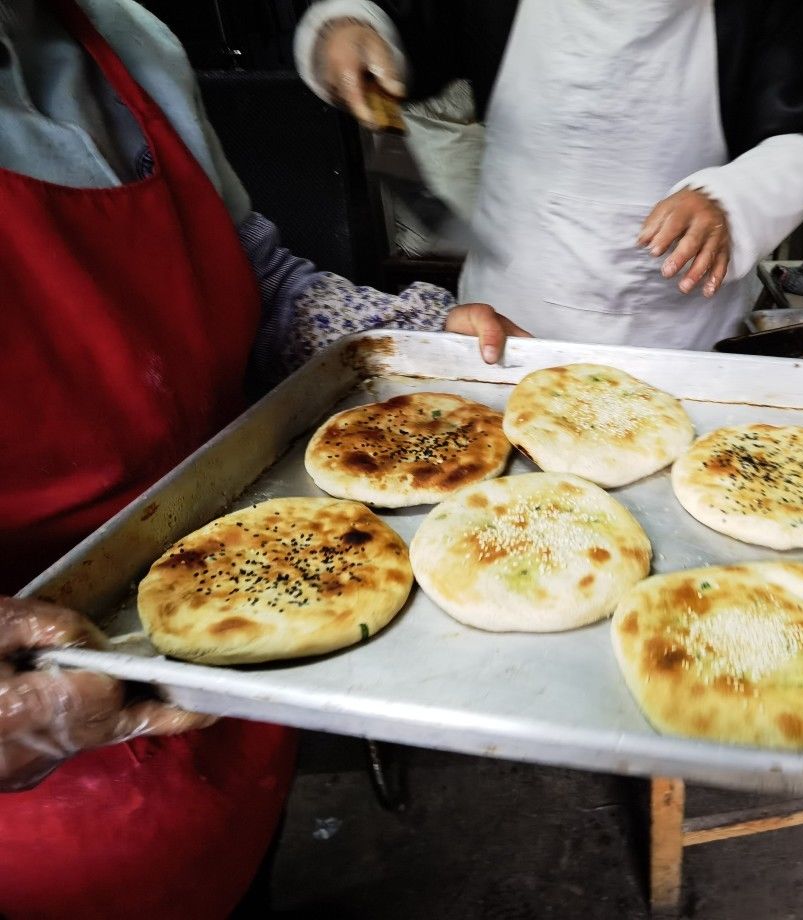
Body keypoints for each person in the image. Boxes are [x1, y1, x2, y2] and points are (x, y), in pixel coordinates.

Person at [0, 1, 523, 916]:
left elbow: (259, 280)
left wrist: (413, 334)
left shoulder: (124, 35)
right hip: (48, 785)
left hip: (253, 595)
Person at [296, 0, 803, 350]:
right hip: (510, 318)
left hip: (680, 332)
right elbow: (406, 22)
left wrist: (732, 199)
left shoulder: (769, 9)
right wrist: (350, 23)